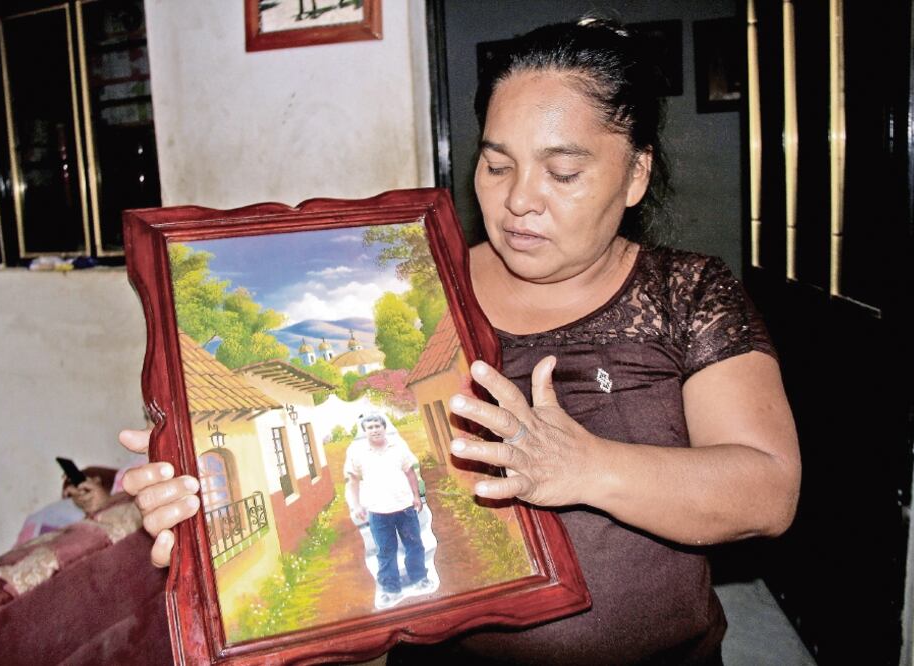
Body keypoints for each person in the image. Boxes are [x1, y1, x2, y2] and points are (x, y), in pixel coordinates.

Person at [119, 17, 800, 664]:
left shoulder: (686, 292)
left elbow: (768, 492)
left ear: (636, 174)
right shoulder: (427, 290)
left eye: (563, 173)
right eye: (497, 166)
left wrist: (586, 467)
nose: (519, 200)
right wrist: (208, 511)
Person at [344, 413, 429, 607]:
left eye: (377, 426)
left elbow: (410, 472)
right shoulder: (357, 453)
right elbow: (353, 480)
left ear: (384, 428)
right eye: (370, 427)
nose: (374, 430)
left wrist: (416, 496)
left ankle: (419, 578)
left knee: (414, 544)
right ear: (365, 431)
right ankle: (391, 589)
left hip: (405, 507)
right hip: (377, 511)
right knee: (385, 551)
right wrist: (356, 505)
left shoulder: (398, 447)